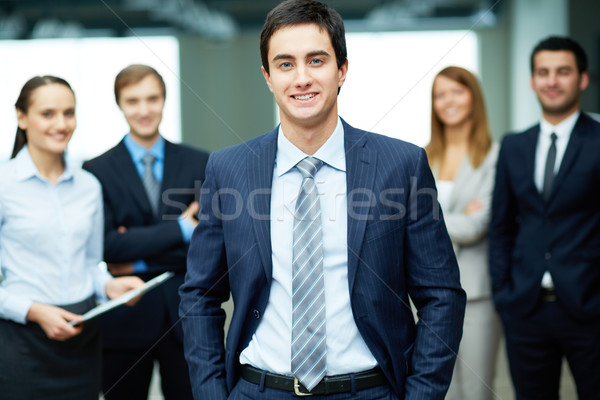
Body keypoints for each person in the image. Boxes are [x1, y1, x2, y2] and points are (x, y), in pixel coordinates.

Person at [179, 1, 466, 399]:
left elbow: (442, 295)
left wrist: (421, 394)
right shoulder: (228, 170)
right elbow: (199, 294)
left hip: (368, 390)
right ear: (267, 76)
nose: (301, 78)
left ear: (342, 70)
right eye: (285, 64)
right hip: (260, 390)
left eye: (316, 60)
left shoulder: (401, 165)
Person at [0, 75, 143, 400]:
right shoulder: (4, 184)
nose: (61, 124)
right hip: (23, 341)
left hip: (83, 337)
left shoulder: (88, 185)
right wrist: (35, 311)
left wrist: (109, 286)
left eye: (69, 112)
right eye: (47, 114)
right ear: (21, 117)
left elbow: (91, 263)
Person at [82, 65, 209, 400]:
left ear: (164, 100)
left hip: (186, 319)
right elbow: (107, 245)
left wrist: (135, 260)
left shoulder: (200, 163)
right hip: (124, 319)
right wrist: (182, 228)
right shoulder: (95, 171)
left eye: (152, 99)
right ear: (120, 104)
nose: (144, 110)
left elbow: (208, 244)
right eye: (133, 100)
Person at [489, 36, 600, 400]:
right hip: (525, 308)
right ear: (532, 81)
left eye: (563, 72)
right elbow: (501, 226)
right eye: (543, 72)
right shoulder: (513, 146)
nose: (552, 81)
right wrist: (504, 293)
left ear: (583, 79)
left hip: (590, 307)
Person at [426, 66, 501, 400]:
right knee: (438, 389)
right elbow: (401, 220)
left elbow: (476, 226)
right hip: (426, 292)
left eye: (457, 91)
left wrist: (427, 217)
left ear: (473, 97)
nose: (448, 101)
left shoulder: (494, 156)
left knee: (475, 390)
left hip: (476, 295)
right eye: (440, 94)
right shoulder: (422, 156)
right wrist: (453, 216)